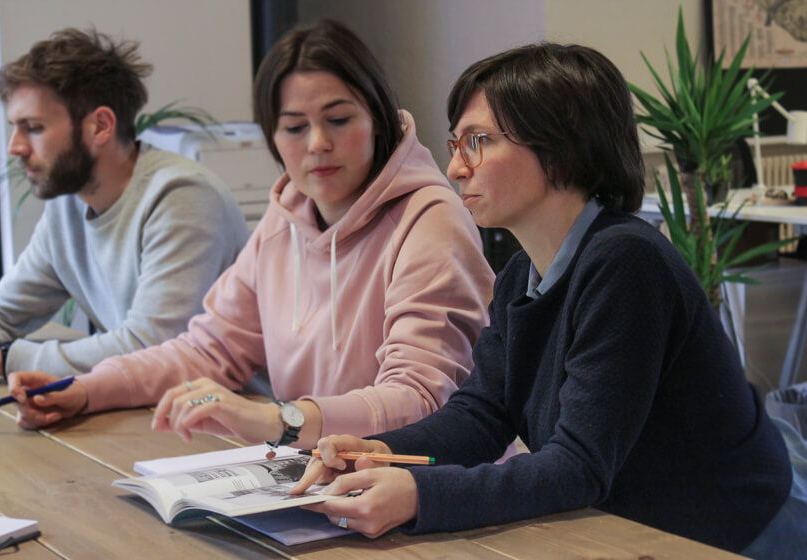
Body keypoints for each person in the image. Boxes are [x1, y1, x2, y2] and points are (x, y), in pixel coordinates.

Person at [292, 43, 799, 556]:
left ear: (561, 144)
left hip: (733, 534)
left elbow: (578, 466)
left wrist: (421, 494)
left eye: (479, 142)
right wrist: (383, 452)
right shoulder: (521, 274)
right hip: (638, 529)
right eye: (456, 145)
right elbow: (483, 414)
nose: (456, 169)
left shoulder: (626, 262)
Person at [10, 21, 494, 451]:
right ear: (272, 138)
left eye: (339, 119)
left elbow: (423, 398)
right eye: (294, 127)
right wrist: (88, 389)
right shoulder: (285, 220)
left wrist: (279, 419)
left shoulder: (429, 219)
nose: (318, 143)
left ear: (377, 119)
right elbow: (208, 350)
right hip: (309, 475)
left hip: (419, 488)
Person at [0, 29, 248, 380]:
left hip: (229, 422)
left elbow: (151, 347)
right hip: (150, 408)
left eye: (33, 127)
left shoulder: (182, 196)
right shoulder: (69, 205)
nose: (15, 147)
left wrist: (0, 360)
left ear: (100, 126)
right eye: (15, 128)